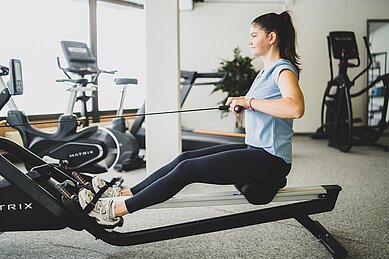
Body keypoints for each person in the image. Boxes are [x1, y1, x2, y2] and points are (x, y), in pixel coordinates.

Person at [78, 10, 305, 226]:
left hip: (271, 160)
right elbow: (267, 104)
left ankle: (114, 211)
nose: (249, 41)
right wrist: (242, 101)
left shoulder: (283, 70)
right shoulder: (264, 72)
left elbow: (295, 107)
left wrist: (249, 102)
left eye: (254, 35)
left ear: (271, 37)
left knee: (187, 171)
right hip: (254, 149)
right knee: (184, 159)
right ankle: (122, 194)